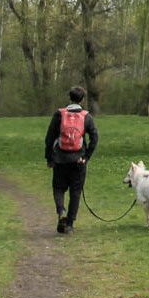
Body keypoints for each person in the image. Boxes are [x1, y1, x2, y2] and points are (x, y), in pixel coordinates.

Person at [44, 85, 98, 234]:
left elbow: (49, 138)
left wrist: (49, 157)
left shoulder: (59, 114)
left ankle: (61, 211)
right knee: (76, 192)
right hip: (78, 160)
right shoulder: (86, 116)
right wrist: (86, 157)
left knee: (59, 188)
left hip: (60, 159)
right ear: (82, 100)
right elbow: (94, 137)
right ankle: (69, 224)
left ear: (69, 98)